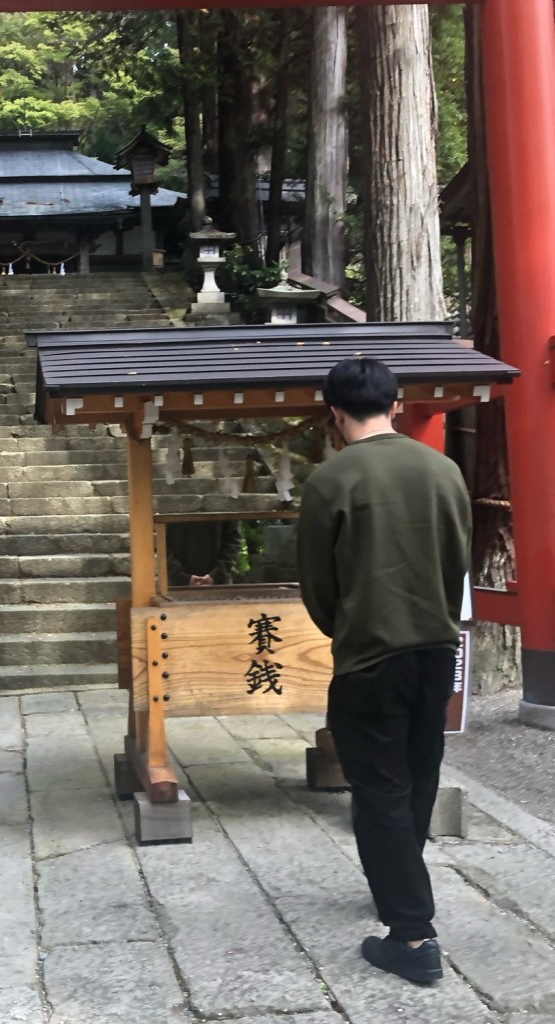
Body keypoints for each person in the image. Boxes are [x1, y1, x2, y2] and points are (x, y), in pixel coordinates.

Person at [296, 357, 470, 985]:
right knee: (420, 772)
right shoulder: (443, 471)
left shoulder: (332, 480)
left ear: (335, 412)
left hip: (370, 652)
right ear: (396, 406)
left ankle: (413, 935)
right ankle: (399, 884)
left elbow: (318, 585)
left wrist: (345, 627)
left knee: (380, 788)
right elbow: (457, 562)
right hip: (435, 649)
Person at [166, 518, 242, 587]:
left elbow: (233, 541)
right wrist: (182, 577)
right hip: (177, 587)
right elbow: (161, 542)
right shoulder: (166, 505)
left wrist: (216, 575)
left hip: (219, 585)